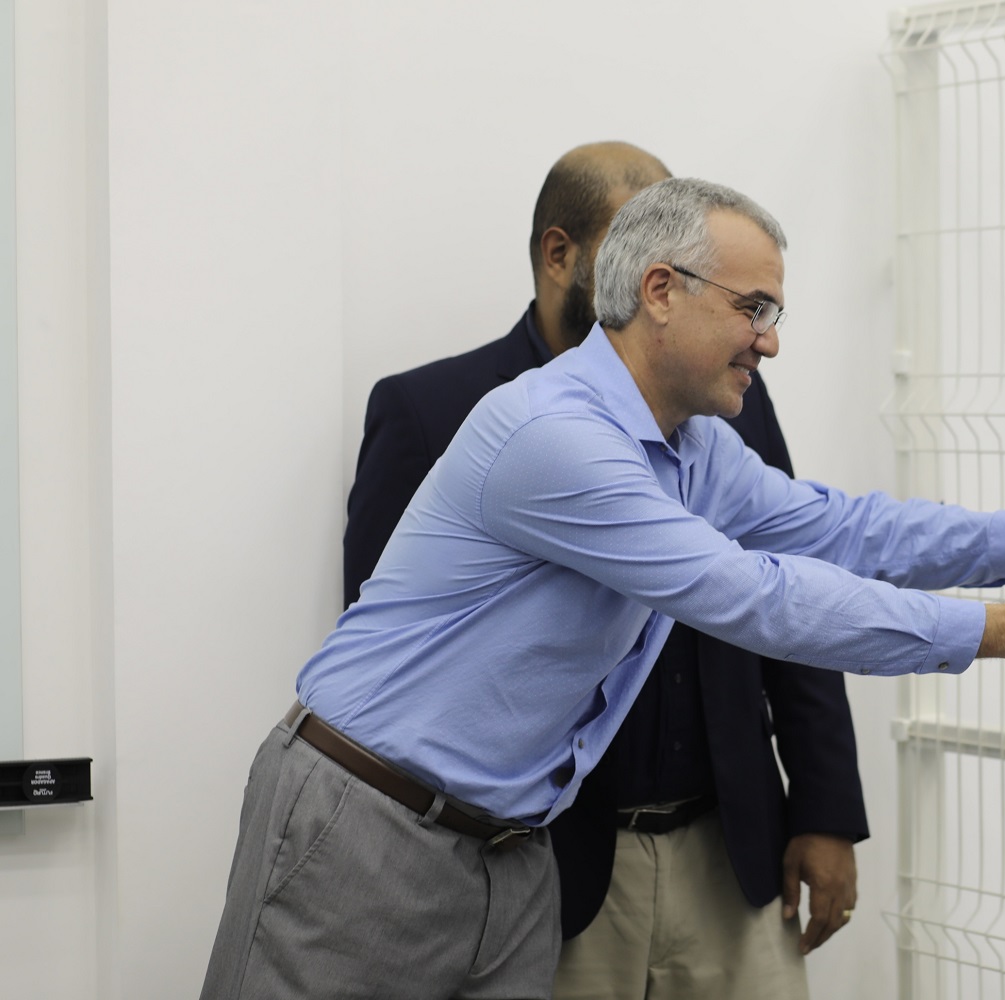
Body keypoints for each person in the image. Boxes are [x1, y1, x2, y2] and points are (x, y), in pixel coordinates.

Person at [200, 176, 1005, 1000]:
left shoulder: (693, 447)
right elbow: (752, 595)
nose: (770, 342)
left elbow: (838, 527)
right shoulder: (555, 437)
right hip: (371, 827)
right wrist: (996, 633)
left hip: (510, 848)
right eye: (756, 308)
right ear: (661, 292)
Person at [341, 141, 869, 999]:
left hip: (730, 843)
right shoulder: (437, 410)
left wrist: (823, 806)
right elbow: (389, 645)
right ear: (561, 255)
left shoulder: (727, 388)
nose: (664, 266)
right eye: (643, 242)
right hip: (546, 863)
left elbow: (792, 572)